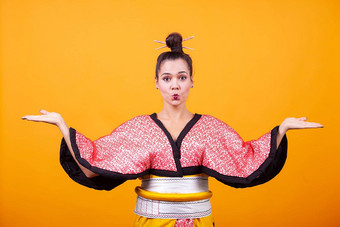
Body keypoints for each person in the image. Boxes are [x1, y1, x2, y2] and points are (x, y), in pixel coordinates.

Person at [22, 32, 323, 227]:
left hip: (201, 222)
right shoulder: (138, 128)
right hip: (152, 222)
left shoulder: (211, 128)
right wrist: (63, 127)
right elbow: (92, 168)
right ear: (156, 82)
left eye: (182, 77)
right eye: (167, 78)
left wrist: (281, 130)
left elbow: (247, 161)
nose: (175, 85)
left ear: (192, 80)